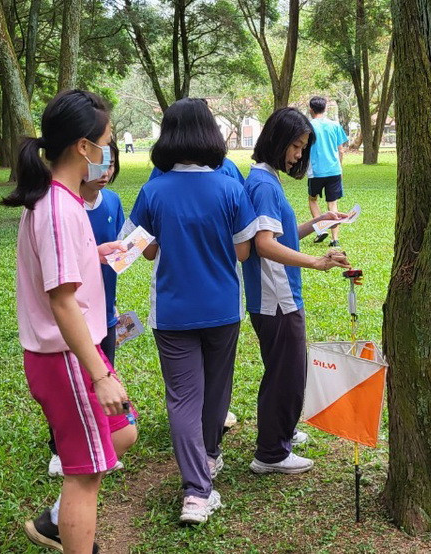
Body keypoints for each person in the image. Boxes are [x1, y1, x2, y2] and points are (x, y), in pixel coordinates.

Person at [1, 89, 137, 554]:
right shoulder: (59, 208)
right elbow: (61, 303)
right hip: (67, 359)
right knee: (86, 475)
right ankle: (69, 533)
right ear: (84, 147)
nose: (108, 149)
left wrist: (91, 253)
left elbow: (58, 269)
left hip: (74, 353)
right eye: (106, 139)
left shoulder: (60, 201)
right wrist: (99, 374)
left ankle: (54, 523)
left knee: (123, 432)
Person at [128, 97, 259, 525]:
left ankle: (196, 494)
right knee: (217, 390)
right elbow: (243, 251)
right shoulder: (231, 189)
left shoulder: (153, 190)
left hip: (172, 311)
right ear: (210, 135)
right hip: (222, 308)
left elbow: (144, 251)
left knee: (183, 398)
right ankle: (211, 455)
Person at [242, 107, 351, 477]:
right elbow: (265, 245)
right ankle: (271, 453)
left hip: (277, 296)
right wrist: (316, 262)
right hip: (276, 298)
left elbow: (280, 234)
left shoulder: (265, 179)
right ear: (277, 140)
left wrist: (318, 221)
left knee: (285, 369)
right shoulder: (262, 185)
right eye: (296, 146)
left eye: (303, 148)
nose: (298, 155)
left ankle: (281, 434)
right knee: (286, 373)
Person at [48, 144, 126, 477]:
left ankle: (99, 442)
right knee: (70, 386)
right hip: (74, 312)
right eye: (101, 163)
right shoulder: (65, 206)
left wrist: (124, 254)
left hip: (105, 308)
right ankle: (58, 448)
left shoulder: (113, 202)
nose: (106, 171)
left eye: (112, 164)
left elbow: (119, 252)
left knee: (101, 379)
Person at [306, 96, 349, 247]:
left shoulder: (308, 126)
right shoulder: (335, 125)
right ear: (325, 109)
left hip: (316, 171)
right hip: (334, 170)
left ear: (311, 109)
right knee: (333, 204)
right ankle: (335, 239)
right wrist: (340, 167)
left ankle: (321, 229)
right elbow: (341, 150)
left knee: (313, 199)